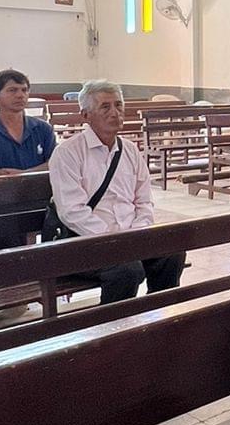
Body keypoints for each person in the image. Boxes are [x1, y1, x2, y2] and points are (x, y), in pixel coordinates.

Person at [48, 80, 185, 304]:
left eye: (118, 105)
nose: (115, 113)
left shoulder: (130, 150)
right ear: (85, 115)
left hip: (130, 237)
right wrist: (114, 240)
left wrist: (137, 233)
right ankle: (113, 324)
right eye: (105, 107)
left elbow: (144, 201)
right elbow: (72, 211)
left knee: (171, 254)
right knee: (127, 271)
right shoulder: (68, 153)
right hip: (84, 241)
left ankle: (156, 316)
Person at [0, 68, 56, 174]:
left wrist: (22, 174)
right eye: (12, 90)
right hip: (1, 185)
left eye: (24, 90)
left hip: (41, 184)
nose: (20, 95)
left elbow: (56, 164)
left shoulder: (43, 128)